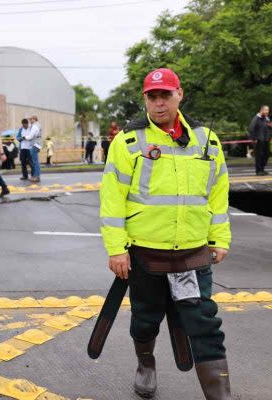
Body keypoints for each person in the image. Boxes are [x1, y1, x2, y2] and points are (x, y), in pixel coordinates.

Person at [96, 67, 231, 399]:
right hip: (146, 255)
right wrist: (116, 249)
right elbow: (112, 199)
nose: (158, 103)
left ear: (179, 94)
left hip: (192, 254)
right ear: (145, 99)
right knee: (145, 319)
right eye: (152, 97)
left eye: (165, 95)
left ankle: (221, 395)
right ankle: (146, 363)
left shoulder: (206, 140)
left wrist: (220, 238)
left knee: (205, 326)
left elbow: (217, 194)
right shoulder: (128, 142)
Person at [248, 105, 270, 176]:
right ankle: (258, 171)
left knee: (266, 155)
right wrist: (253, 139)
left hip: (266, 140)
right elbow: (251, 129)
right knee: (259, 156)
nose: (267, 112)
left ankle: (262, 169)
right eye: (266, 110)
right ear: (261, 110)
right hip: (258, 140)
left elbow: (268, 127)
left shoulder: (266, 118)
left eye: (268, 110)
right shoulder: (256, 118)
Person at [28, 115, 42, 182]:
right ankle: (36, 176)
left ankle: (36, 176)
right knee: (35, 161)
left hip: (34, 145)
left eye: (31, 119)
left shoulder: (34, 126)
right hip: (37, 145)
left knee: (35, 162)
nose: (30, 121)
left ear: (34, 119)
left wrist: (24, 137)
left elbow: (30, 136)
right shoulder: (38, 125)